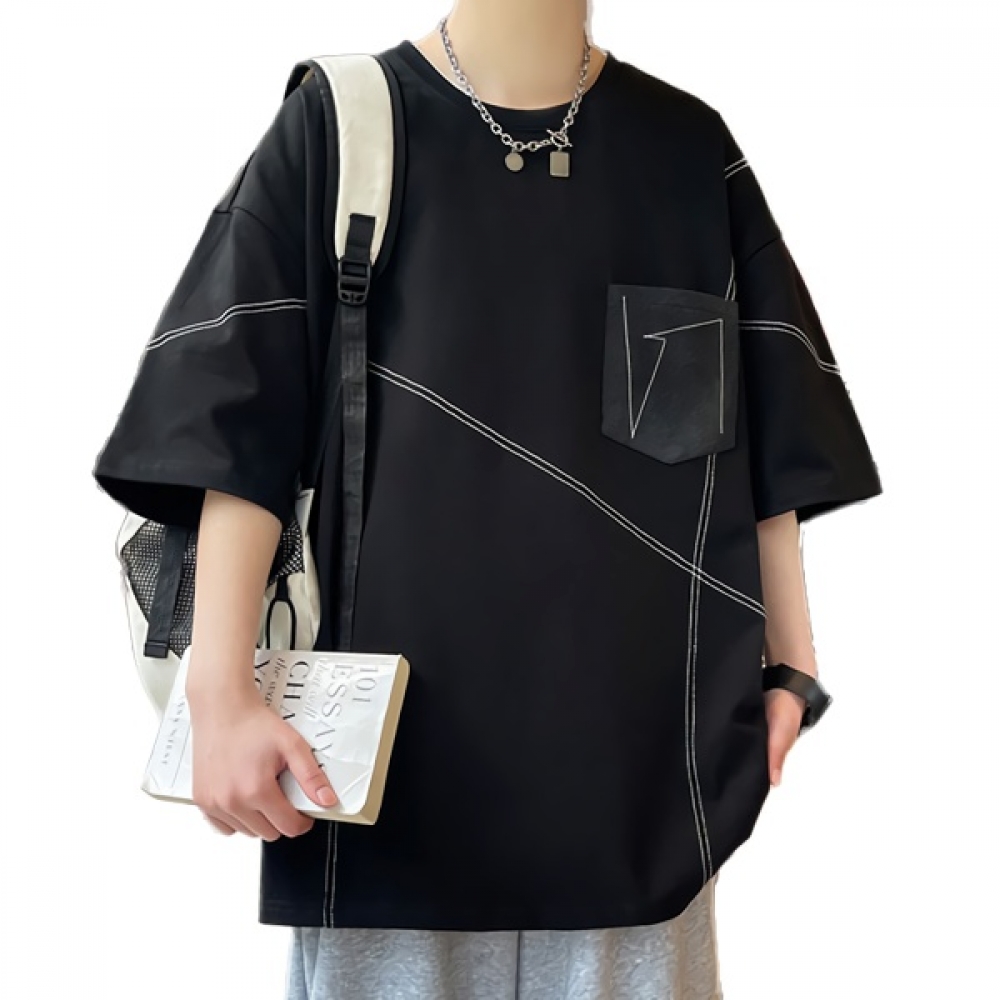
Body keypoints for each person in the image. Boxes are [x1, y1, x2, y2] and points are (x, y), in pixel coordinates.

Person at [93, 1, 883, 996]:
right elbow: (232, 421)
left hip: (637, 779)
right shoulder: (345, 121)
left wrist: (792, 664)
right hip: (382, 782)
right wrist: (219, 696)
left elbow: (765, 422)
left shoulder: (686, 149)